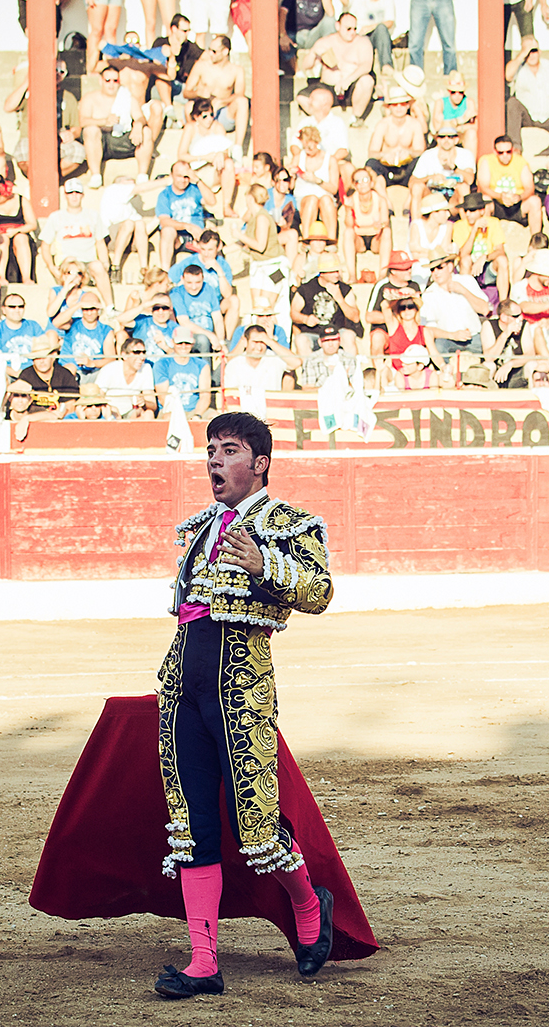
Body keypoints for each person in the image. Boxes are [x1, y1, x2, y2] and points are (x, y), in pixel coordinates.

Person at [147, 412, 337, 998]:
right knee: (192, 826)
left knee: (255, 824)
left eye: (228, 450)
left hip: (243, 684)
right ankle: (203, 962)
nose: (214, 460)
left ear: (260, 464)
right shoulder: (200, 527)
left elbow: (320, 592)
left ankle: (310, 905)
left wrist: (264, 566)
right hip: (183, 681)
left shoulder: (289, 523)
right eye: (210, 450)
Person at [503, 42, 549, 157]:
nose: (531, 54)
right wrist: (522, 54)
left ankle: (544, 155)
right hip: (528, 117)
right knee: (512, 103)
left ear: (540, 51)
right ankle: (516, 148)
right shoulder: (519, 68)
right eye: (528, 51)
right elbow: (507, 75)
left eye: (534, 50)